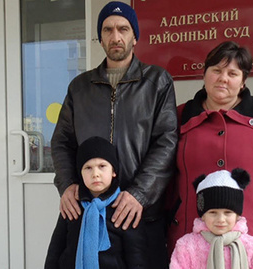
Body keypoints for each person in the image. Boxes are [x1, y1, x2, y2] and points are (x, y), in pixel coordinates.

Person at [50, 1, 178, 267]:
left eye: (123, 29)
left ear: (135, 36)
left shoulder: (157, 82)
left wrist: (139, 194)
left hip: (140, 214)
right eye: (108, 30)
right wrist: (67, 185)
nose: (115, 36)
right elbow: (62, 142)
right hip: (89, 212)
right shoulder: (80, 87)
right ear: (100, 37)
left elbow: (166, 142)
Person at [167, 41, 253, 262]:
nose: (223, 78)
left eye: (232, 73)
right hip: (191, 239)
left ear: (242, 82)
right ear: (204, 75)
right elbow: (166, 175)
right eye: (216, 71)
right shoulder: (179, 116)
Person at [45, 136, 149, 268]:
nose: (95, 174)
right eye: (88, 168)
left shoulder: (124, 208)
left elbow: (137, 257)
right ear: (80, 173)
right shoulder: (73, 205)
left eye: (102, 166)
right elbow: (55, 249)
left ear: (114, 171)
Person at [170, 169, 253, 269]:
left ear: (237, 215)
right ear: (203, 215)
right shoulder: (187, 246)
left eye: (228, 212)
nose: (221, 219)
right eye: (213, 212)